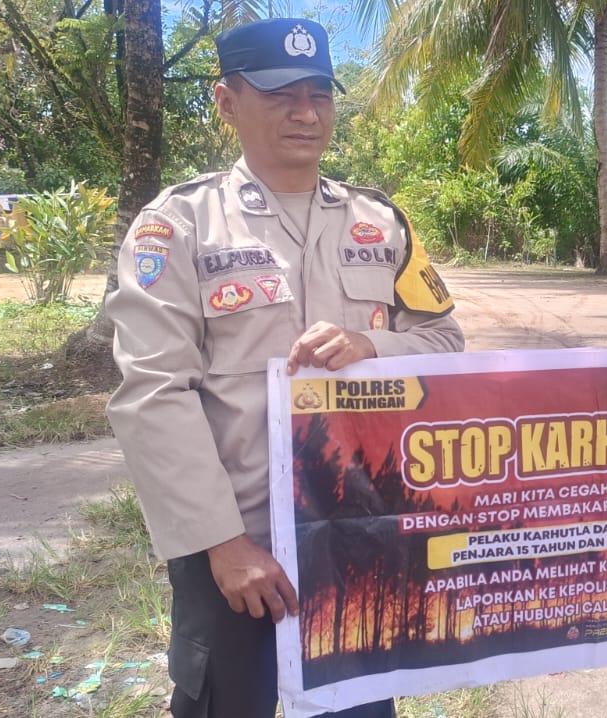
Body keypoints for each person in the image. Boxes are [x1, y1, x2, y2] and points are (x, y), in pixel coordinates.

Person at [105, 18, 464, 718]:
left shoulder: (381, 223)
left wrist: (374, 346)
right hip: (239, 545)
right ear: (227, 102)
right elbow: (153, 393)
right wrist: (221, 543)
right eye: (280, 95)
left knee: (357, 709)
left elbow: (446, 341)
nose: (306, 113)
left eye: (319, 94)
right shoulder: (179, 225)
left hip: (357, 532)